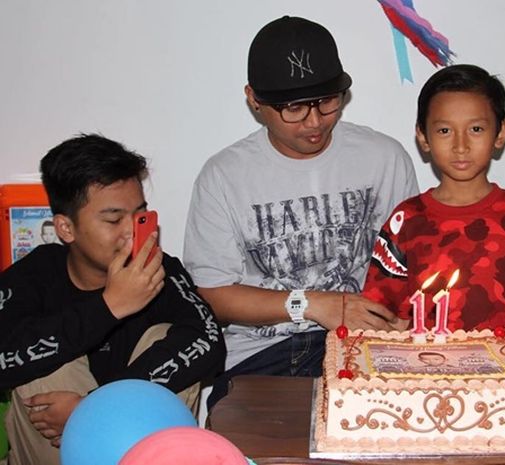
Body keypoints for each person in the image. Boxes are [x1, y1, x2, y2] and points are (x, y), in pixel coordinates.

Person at [183, 16, 418, 408]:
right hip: (263, 355)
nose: (314, 121)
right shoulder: (224, 176)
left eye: (327, 101)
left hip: (366, 347)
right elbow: (212, 294)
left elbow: (411, 266)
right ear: (254, 99)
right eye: (293, 107)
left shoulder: (384, 158)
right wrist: (312, 304)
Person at [0, 134, 225, 465]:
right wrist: (109, 306)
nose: (131, 232)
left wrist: (95, 407)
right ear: (65, 228)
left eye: (140, 215)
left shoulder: (160, 270)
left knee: (166, 337)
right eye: (113, 219)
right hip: (51, 451)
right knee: (46, 361)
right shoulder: (32, 276)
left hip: (133, 445)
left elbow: (210, 342)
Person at [363, 64, 505, 351]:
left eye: (476, 129)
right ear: (423, 136)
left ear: (500, 132)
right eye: (445, 130)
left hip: (504, 376)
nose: (461, 145)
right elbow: (391, 321)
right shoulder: (405, 222)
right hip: (421, 372)